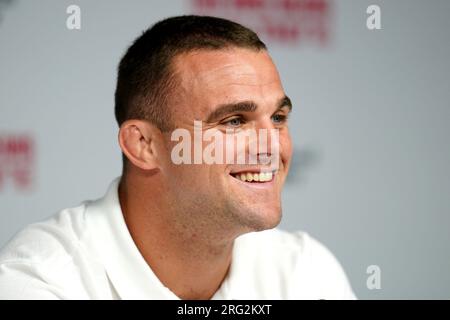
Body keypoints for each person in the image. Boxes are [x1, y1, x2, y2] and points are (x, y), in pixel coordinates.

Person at [0, 15, 355, 299]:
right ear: (144, 145)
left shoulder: (306, 273)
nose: (271, 147)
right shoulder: (39, 282)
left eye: (278, 118)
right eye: (234, 121)